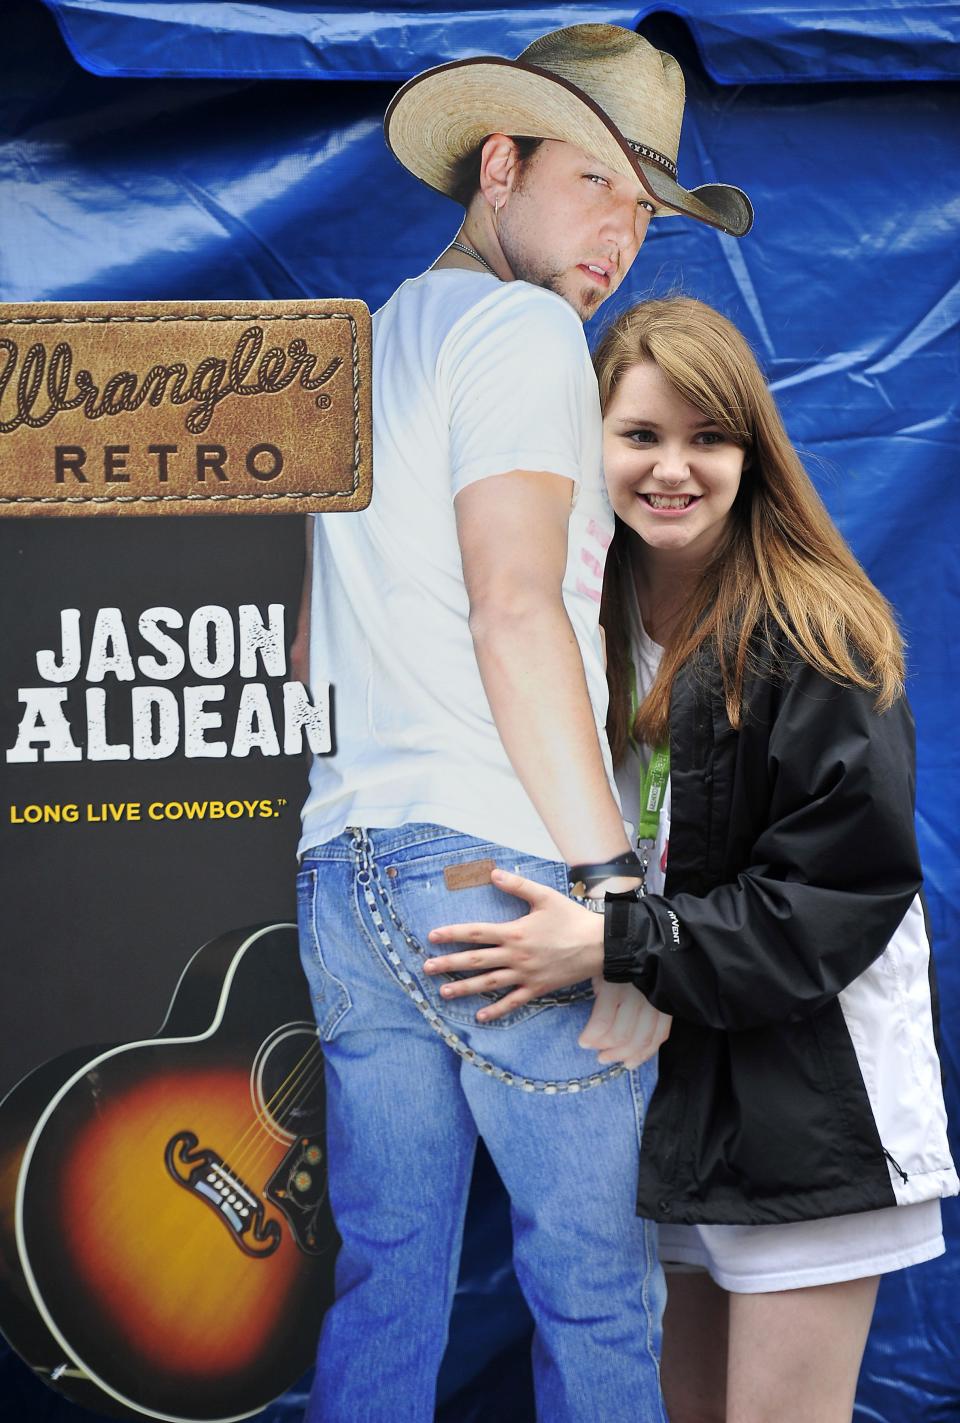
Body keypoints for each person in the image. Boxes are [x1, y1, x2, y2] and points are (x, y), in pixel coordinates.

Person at [292, 24, 752, 1423]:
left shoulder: (356, 349)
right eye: (598, 181)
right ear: (500, 163)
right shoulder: (524, 327)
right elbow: (514, 611)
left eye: (643, 207)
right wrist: (617, 902)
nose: (622, 231)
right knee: (600, 1294)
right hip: (494, 866)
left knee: (385, 1284)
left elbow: (314, 646)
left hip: (342, 871)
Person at [423, 297, 958, 1423]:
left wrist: (607, 940)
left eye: (708, 437)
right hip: (654, 1101)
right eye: (641, 435)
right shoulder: (566, 623)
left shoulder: (820, 634)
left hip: (803, 1106)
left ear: (750, 453)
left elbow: (831, 899)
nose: (674, 468)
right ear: (590, 446)